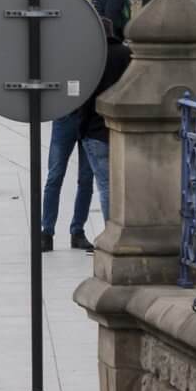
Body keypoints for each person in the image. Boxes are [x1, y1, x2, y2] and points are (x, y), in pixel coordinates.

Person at [76, 17, 132, 242]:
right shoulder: (126, 55)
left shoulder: (93, 57)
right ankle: (122, 228)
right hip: (120, 131)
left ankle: (111, 233)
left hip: (95, 130)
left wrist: (82, 127)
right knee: (122, 184)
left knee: (105, 185)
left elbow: (85, 96)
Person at [38, 107, 95, 251]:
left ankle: (77, 231)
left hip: (89, 118)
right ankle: (47, 232)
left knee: (86, 179)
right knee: (55, 176)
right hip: (65, 116)